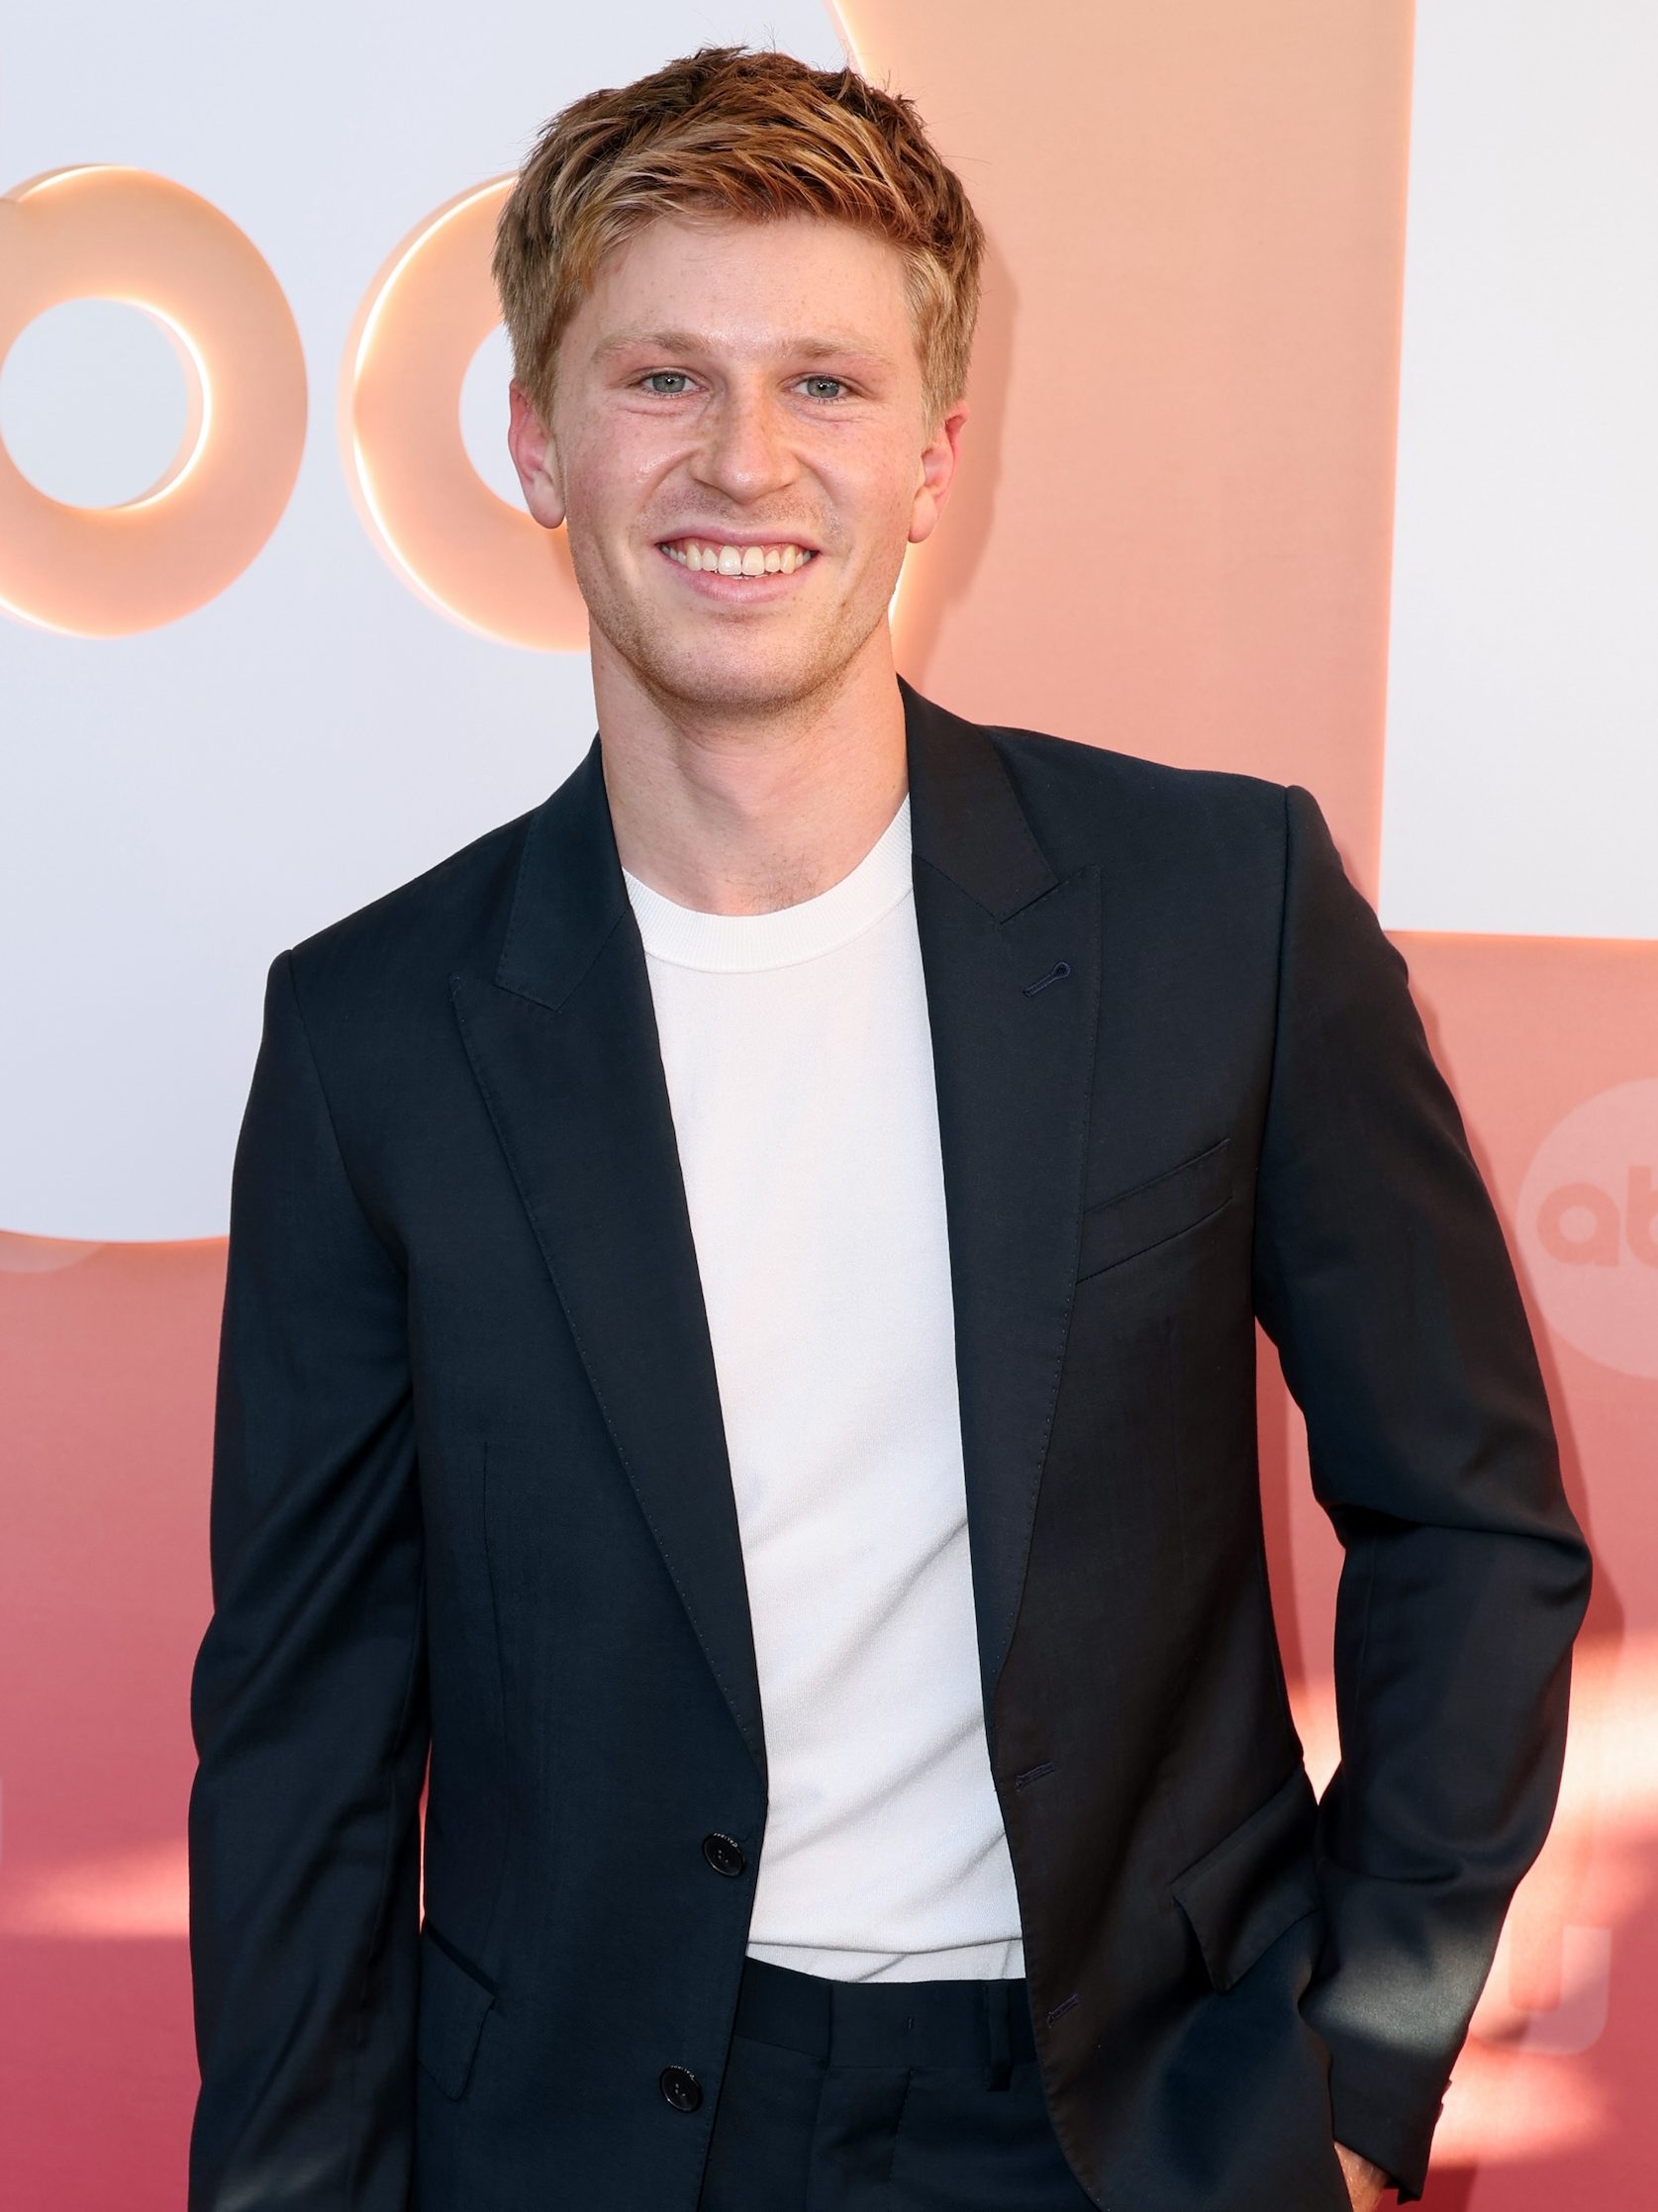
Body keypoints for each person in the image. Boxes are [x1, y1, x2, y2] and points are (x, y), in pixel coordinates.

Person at [185, 43, 1592, 2212]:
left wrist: (1354, 2077)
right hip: (583, 2136)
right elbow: (303, 1743)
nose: (745, 459)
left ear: (938, 453)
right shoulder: (375, 1032)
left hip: (1134, 2123)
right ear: (534, 440)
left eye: (824, 386)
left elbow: (1471, 1521)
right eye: (661, 376)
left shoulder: (1221, 913)